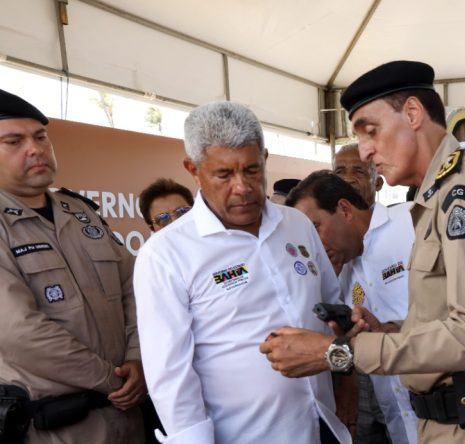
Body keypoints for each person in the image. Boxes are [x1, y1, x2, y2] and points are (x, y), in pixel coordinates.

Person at [261, 60, 465, 443]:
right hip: (447, 422)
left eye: (370, 131)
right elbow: (450, 319)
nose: (365, 152)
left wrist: (339, 351)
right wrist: (390, 331)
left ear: (412, 113)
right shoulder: (434, 198)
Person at [133, 102, 349, 444]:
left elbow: (333, 311)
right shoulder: (165, 254)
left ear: (264, 158)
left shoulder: (297, 225)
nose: (243, 187)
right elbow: (170, 376)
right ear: (193, 169)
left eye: (252, 170)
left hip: (323, 423)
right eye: (224, 175)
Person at [0, 88, 145, 443]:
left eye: (40, 137)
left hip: (126, 417)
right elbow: (19, 331)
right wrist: (111, 378)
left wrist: (138, 358)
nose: (35, 149)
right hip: (56, 427)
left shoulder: (79, 212)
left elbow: (135, 286)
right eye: (14, 141)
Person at [286, 170, 418, 444]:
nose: (314, 245)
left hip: (456, 413)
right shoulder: (338, 272)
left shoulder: (412, 222)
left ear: (344, 209)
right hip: (400, 424)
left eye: (315, 228)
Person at [334, 142, 384, 206]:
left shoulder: (393, 212)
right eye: (339, 172)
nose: (348, 179)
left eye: (359, 172)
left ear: (378, 184)